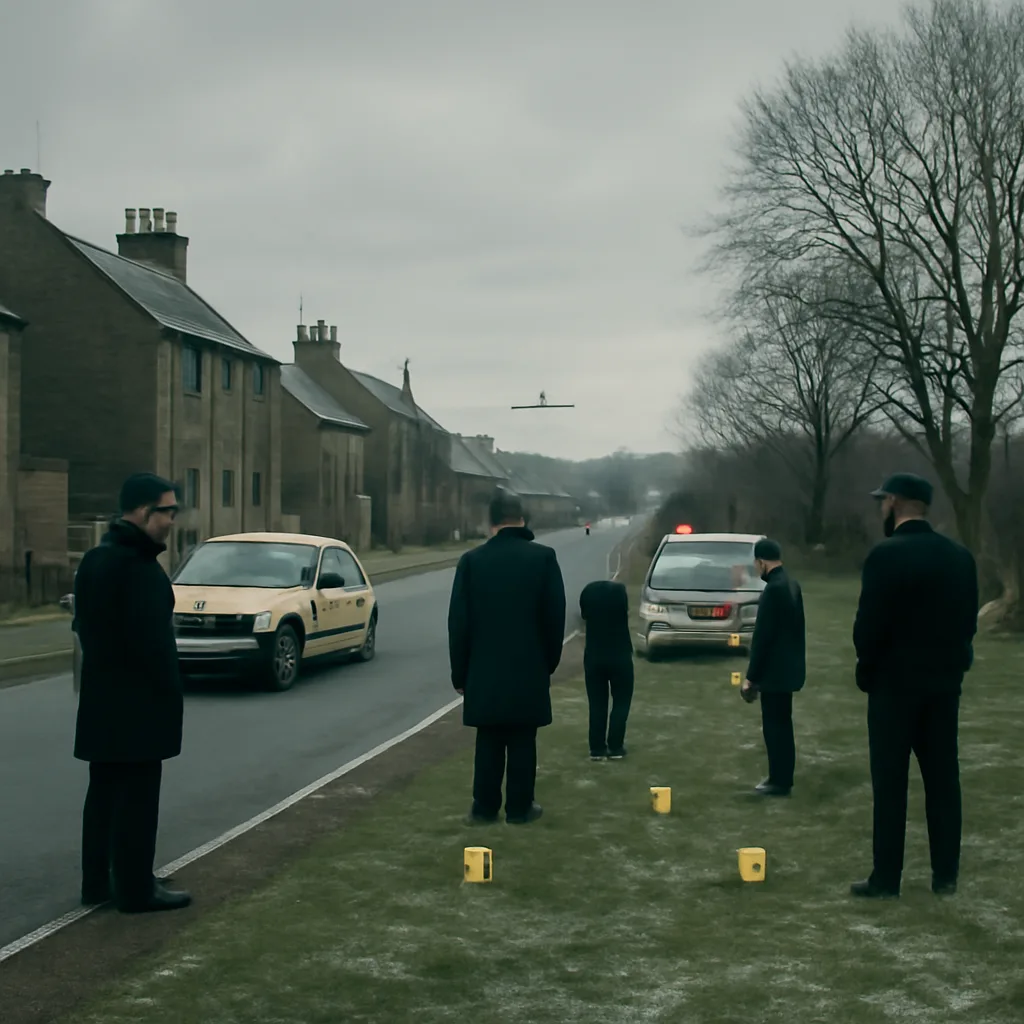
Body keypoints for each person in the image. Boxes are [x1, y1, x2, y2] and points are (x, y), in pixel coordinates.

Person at [850, 473, 978, 900]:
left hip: (893, 687)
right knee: (944, 780)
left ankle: (887, 878)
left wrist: (867, 671)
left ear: (893, 502)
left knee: (890, 784)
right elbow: (966, 624)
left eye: (882, 502)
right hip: (943, 685)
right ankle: (946, 876)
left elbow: (869, 627)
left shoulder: (885, 557)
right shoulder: (959, 557)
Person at [73, 473, 192, 913]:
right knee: (138, 798)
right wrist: (168, 692)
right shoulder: (137, 568)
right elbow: (151, 644)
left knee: (104, 792)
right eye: (168, 512)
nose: (172, 521)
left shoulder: (95, 560)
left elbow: (85, 629)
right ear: (144, 512)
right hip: (139, 703)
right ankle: (136, 888)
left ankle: (99, 881)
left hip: (103, 699)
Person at [448, 488, 567, 825]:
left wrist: (460, 674)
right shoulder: (543, 558)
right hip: (529, 665)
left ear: (492, 523)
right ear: (522, 519)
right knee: (522, 738)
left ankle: (484, 808)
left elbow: (458, 623)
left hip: (483, 668)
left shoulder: (471, 561)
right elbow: (554, 617)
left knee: (488, 738)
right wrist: (548, 662)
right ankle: (520, 807)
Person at [740, 538, 805, 796]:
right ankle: (783, 777)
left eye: (757, 565)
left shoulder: (773, 590)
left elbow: (762, 637)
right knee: (784, 725)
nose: (757, 569)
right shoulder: (792, 585)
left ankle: (778, 781)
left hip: (774, 673)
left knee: (774, 727)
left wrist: (751, 677)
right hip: (789, 670)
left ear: (761, 562)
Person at [579, 578, 634, 760]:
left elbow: (584, 616)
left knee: (597, 704)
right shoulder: (619, 595)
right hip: (620, 655)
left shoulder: (589, 596)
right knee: (621, 702)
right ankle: (616, 746)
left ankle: (596, 748)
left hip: (594, 656)